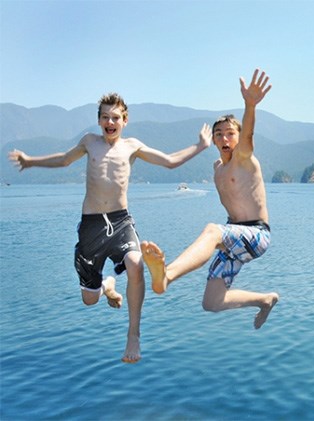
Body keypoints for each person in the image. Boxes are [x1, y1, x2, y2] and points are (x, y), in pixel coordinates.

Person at [7, 93, 211, 363]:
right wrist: (30, 161)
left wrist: (200, 146)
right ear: (99, 121)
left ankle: (133, 335)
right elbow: (64, 160)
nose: (110, 121)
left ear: (125, 121)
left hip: (120, 220)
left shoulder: (132, 146)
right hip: (91, 225)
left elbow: (170, 161)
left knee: (136, 264)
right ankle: (106, 285)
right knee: (89, 300)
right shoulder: (89, 142)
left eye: (116, 117)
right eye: (105, 117)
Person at [140, 69, 278, 330]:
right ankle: (265, 299)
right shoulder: (217, 168)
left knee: (212, 231)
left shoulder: (244, 160)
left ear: (238, 138)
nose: (225, 138)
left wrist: (250, 105)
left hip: (257, 234)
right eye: (219, 134)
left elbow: (248, 135)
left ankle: (167, 275)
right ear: (213, 140)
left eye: (230, 133)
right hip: (234, 240)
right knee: (212, 302)